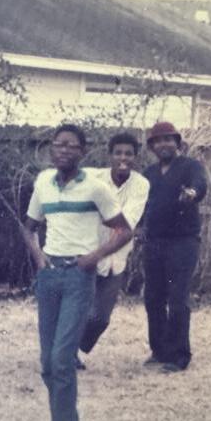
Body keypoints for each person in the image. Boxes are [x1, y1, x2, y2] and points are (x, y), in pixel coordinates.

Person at [22, 123, 132, 421]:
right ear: (51, 149)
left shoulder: (96, 187)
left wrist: (94, 256)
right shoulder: (43, 183)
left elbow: (124, 230)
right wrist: (39, 258)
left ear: (82, 152)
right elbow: (29, 227)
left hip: (78, 277)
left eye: (71, 146)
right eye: (59, 145)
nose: (64, 150)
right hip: (49, 277)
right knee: (47, 361)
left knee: (61, 359)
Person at [77, 132, 149, 366]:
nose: (123, 158)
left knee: (100, 318)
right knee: (77, 309)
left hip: (115, 257)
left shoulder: (140, 184)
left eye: (128, 153)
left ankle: (75, 347)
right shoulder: (92, 177)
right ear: (110, 155)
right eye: (118, 153)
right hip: (85, 251)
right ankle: (67, 353)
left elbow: (126, 224)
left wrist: (101, 215)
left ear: (135, 157)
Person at [142, 121, 207, 373]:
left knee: (178, 299)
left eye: (168, 139)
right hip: (154, 242)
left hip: (183, 242)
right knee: (153, 298)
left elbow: (199, 185)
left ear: (177, 143)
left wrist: (192, 193)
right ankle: (159, 351)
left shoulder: (190, 166)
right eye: (158, 141)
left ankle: (179, 356)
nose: (163, 144)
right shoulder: (148, 174)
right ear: (152, 146)